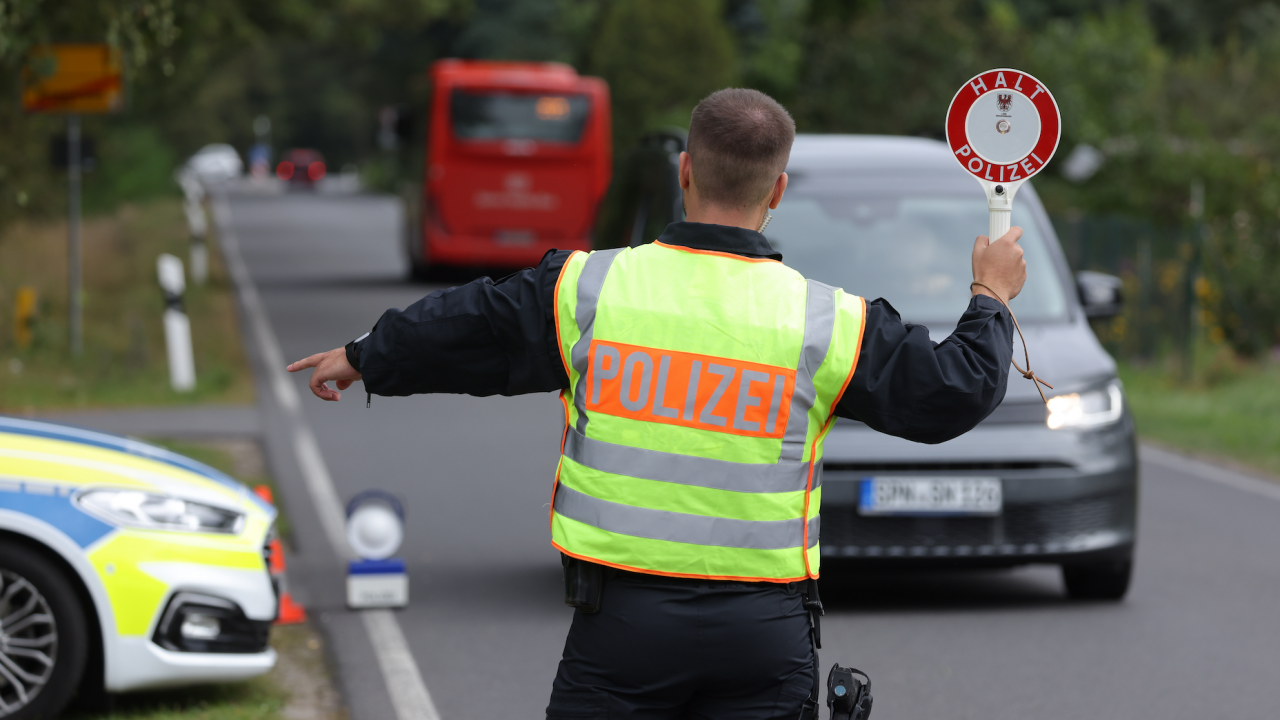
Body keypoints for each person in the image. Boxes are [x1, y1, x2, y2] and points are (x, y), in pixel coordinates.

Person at [288, 88, 1027, 719]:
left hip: (622, 631)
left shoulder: (588, 289)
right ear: (777, 192)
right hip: (763, 634)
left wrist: (361, 356)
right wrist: (990, 294)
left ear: (684, 172)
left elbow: (466, 328)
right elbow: (953, 391)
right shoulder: (827, 321)